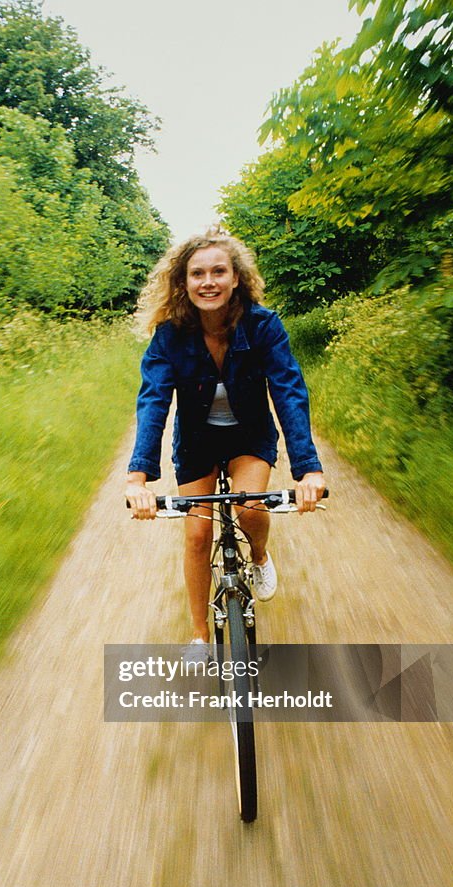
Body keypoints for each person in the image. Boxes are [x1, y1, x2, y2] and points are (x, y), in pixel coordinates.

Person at [125, 230, 326, 651]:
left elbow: (288, 392)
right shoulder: (169, 335)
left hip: (249, 436)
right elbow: (154, 401)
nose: (208, 281)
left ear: (237, 278)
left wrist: (309, 470)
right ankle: (200, 635)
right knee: (197, 536)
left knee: (250, 505)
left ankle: (259, 556)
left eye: (219, 271)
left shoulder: (263, 325)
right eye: (197, 273)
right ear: (183, 282)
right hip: (197, 441)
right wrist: (137, 477)